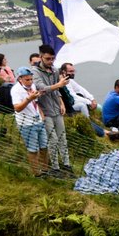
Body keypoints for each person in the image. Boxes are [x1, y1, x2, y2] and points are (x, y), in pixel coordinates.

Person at [31, 44, 73, 175]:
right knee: (52, 139)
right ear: (41, 57)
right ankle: (55, 167)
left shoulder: (54, 70)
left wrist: (61, 102)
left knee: (62, 137)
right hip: (45, 110)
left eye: (52, 59)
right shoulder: (34, 72)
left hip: (56, 108)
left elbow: (57, 90)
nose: (51, 61)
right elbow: (41, 88)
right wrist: (58, 85)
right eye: (48, 59)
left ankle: (66, 164)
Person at [9, 67, 48, 175]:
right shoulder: (16, 90)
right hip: (26, 124)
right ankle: (37, 173)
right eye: (27, 80)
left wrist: (41, 115)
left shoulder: (32, 86)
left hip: (38, 121)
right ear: (20, 79)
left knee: (44, 147)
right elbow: (17, 108)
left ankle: (45, 170)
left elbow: (35, 102)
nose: (30, 82)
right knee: (33, 149)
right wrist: (28, 99)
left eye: (31, 79)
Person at [59, 62, 103, 137]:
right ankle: (90, 123)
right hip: (69, 107)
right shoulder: (61, 83)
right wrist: (89, 102)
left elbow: (81, 89)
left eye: (73, 71)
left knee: (99, 107)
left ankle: (93, 123)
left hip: (73, 103)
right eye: (71, 71)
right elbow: (72, 97)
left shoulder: (69, 81)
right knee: (83, 106)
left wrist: (92, 99)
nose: (73, 73)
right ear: (63, 72)